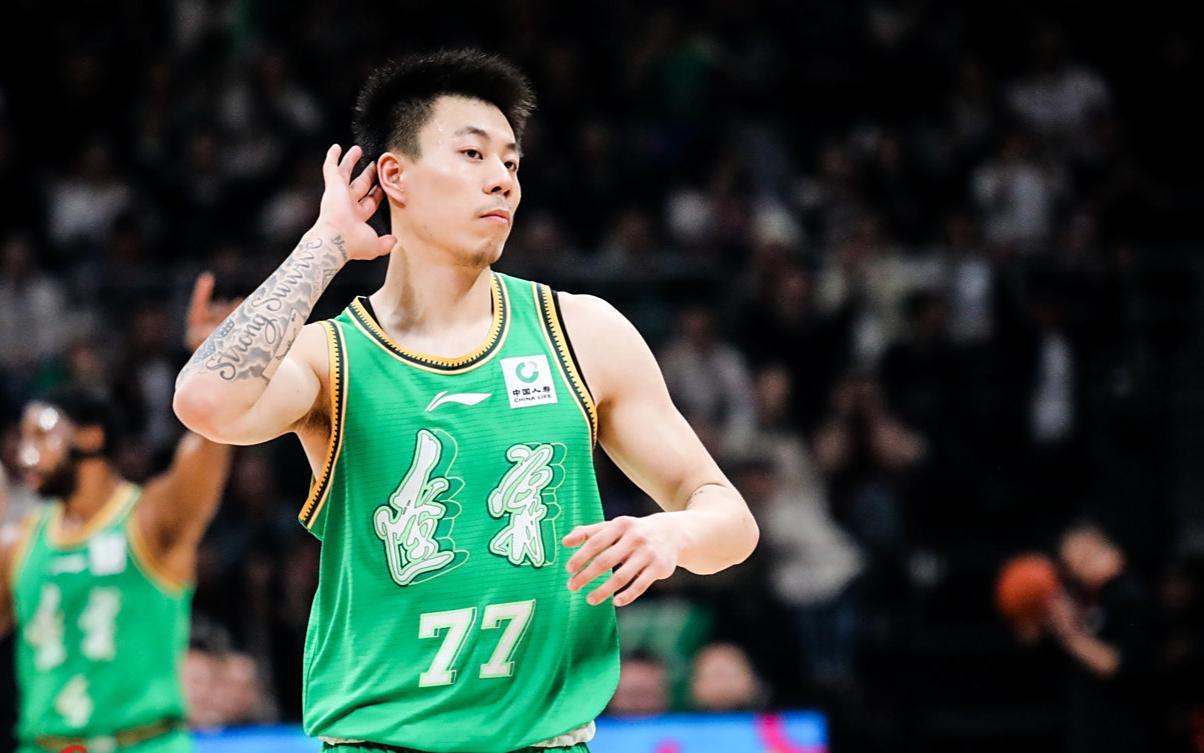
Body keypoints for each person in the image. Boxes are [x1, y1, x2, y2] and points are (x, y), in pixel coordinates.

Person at [172, 48, 759, 753]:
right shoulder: (334, 358)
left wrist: (674, 535)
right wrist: (325, 244)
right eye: (473, 154)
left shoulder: (582, 331)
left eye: (511, 162)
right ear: (395, 176)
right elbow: (204, 403)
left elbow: (731, 521)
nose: (502, 179)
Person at [0, 276, 235, 753]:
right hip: (45, 744)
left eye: (41, 435)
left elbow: (207, 450)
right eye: (22, 439)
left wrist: (219, 365)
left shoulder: (148, 519)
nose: (25, 453)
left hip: (144, 742)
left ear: (91, 437)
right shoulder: (17, 544)